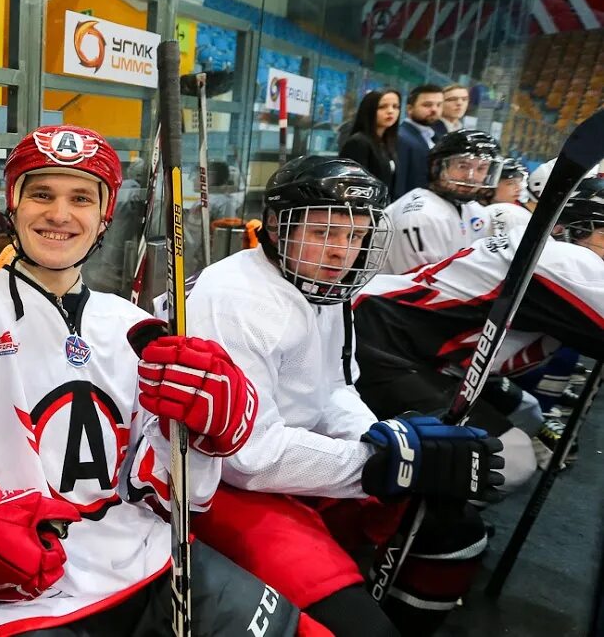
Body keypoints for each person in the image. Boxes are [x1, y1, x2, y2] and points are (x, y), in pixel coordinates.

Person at [0, 125, 314, 636]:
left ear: (103, 216)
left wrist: (202, 438)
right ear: (12, 205)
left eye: (80, 197)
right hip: (14, 597)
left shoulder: (131, 326)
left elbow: (164, 496)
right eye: (41, 194)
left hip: (151, 564)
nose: (59, 214)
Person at [184, 155, 505, 637]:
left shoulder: (323, 287)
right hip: (218, 486)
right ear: (276, 227)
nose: (341, 253)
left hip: (293, 462)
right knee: (356, 623)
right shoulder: (233, 298)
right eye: (324, 233)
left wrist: (382, 439)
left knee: (452, 529)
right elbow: (245, 457)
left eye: (355, 237)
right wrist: (377, 463)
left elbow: (334, 386)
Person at [355, 179, 604, 476]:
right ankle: (413, 514)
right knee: (511, 460)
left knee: (528, 412)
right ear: (568, 229)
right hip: (385, 345)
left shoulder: (545, 247)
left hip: (423, 346)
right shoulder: (564, 259)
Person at [383, 129, 502, 274]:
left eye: (482, 168)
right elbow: (416, 287)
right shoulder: (418, 216)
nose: (471, 177)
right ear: (436, 167)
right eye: (462, 166)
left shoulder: (475, 211)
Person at [338, 89, 400, 187]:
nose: (390, 111)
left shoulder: (387, 142)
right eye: (382, 107)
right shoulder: (359, 142)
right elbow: (354, 185)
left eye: (395, 107)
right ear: (369, 110)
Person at [394, 84, 445, 199]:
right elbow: (399, 184)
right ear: (409, 109)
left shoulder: (436, 137)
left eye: (439, 105)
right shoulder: (401, 137)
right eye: (427, 105)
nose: (434, 109)